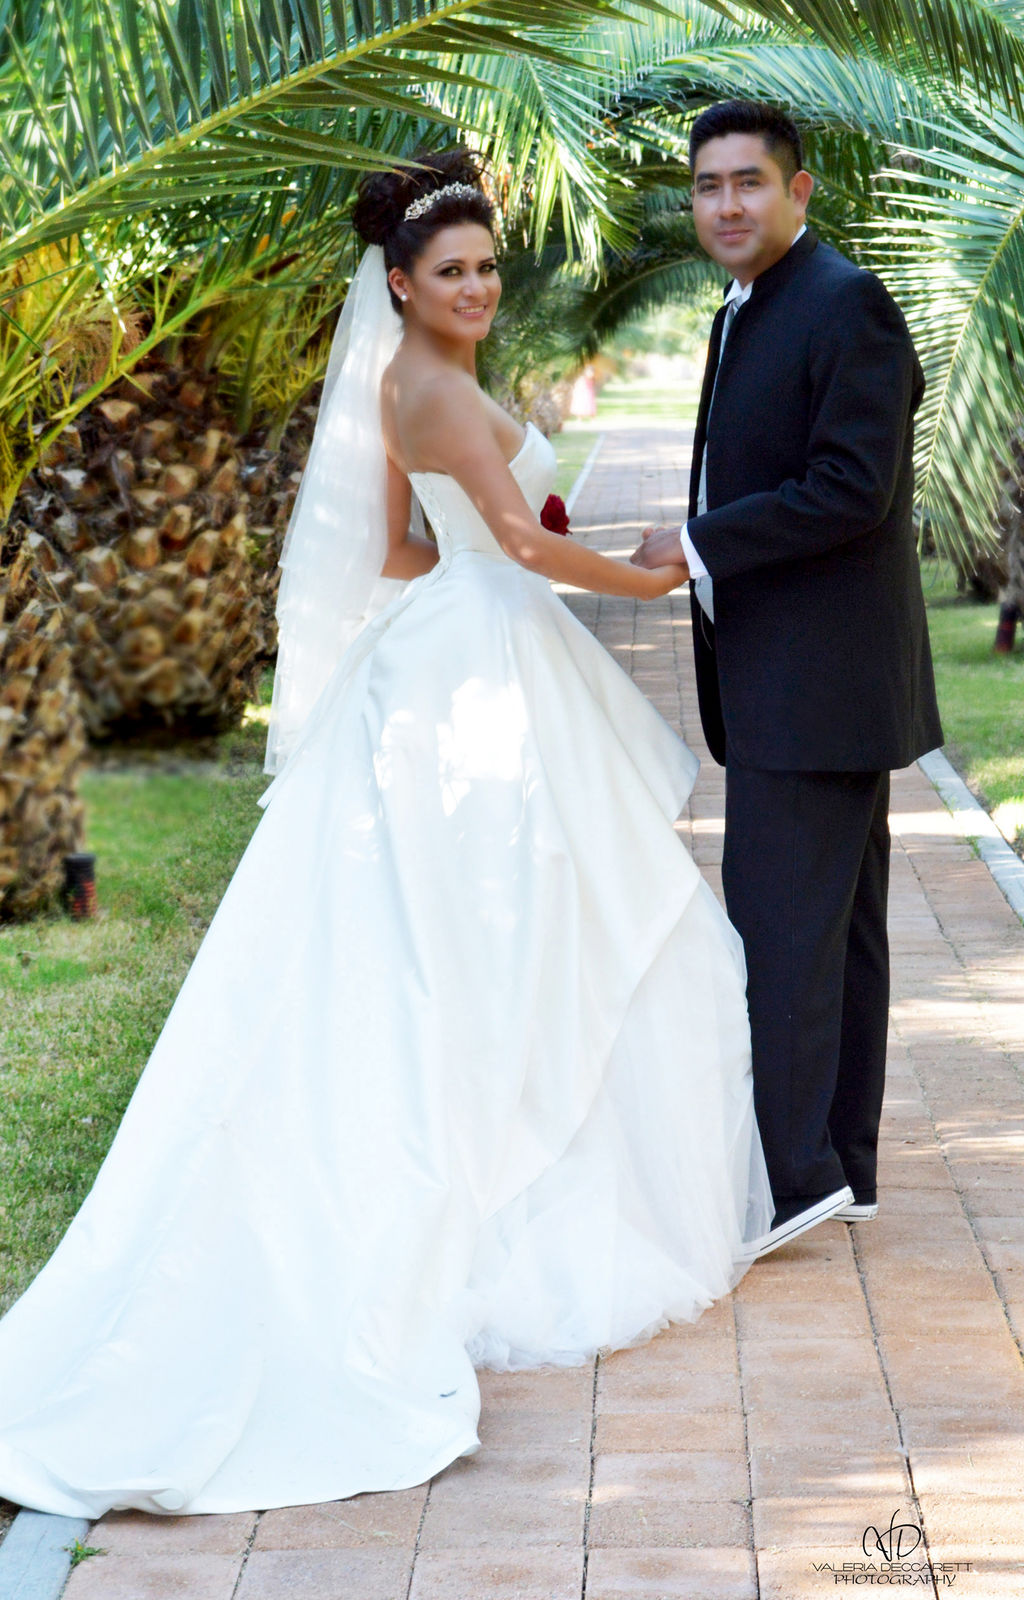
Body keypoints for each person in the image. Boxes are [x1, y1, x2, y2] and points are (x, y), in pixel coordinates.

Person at [0, 150, 772, 1520]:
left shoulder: (404, 383)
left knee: (491, 932)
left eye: (487, 269)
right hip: (482, 662)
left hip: (448, 644)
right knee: (529, 925)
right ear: (400, 285)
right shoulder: (437, 388)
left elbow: (403, 550)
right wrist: (652, 574)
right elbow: (520, 549)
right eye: (451, 273)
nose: (478, 290)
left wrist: (476, 574)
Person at [632, 102, 943, 1256]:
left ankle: (789, 1178)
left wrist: (695, 543)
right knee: (835, 935)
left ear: (798, 191)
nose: (725, 204)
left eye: (747, 182)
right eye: (706, 185)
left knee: (780, 935)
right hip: (805, 683)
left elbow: (851, 487)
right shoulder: (756, 304)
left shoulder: (842, 302)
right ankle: (839, 1167)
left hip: (819, 687)